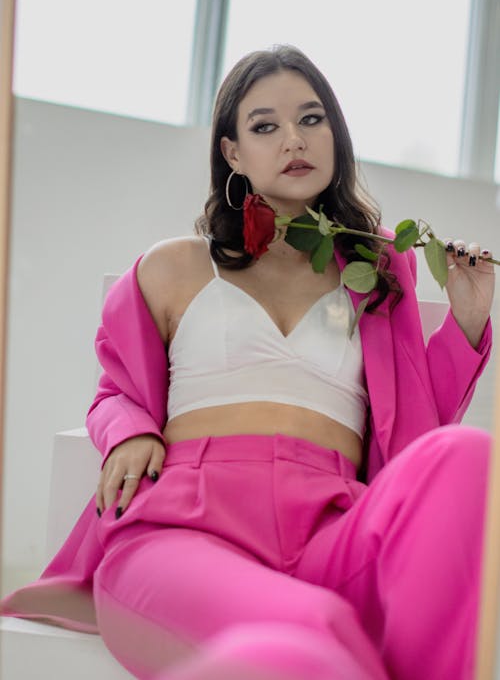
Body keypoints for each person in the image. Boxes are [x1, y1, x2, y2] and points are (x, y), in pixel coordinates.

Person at [1, 45, 495, 680]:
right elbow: (116, 389)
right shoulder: (175, 265)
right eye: (265, 126)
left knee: (469, 460)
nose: (294, 138)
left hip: (329, 531)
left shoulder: (377, 277)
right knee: (313, 640)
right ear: (232, 152)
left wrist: (469, 320)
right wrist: (129, 432)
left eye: (312, 119)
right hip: (183, 529)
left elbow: (414, 426)